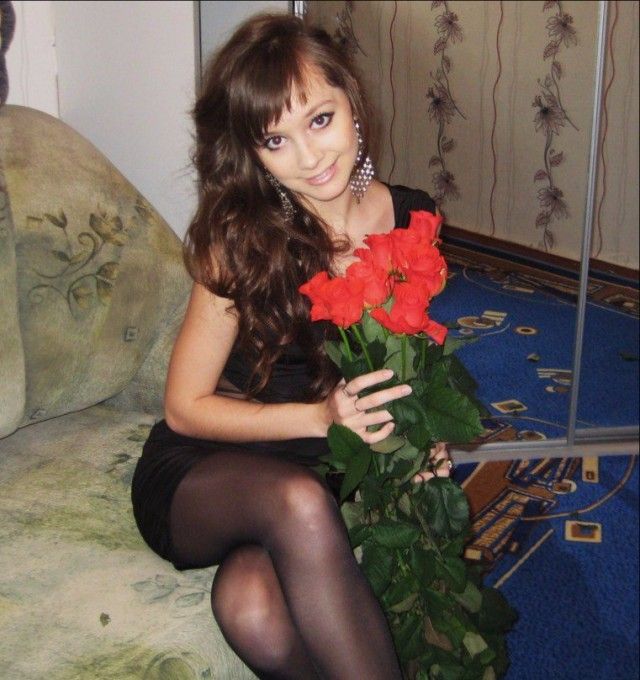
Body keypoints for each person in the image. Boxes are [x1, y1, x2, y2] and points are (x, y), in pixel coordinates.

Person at [131, 12, 450, 680]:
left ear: (352, 104)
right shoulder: (239, 241)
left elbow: (400, 363)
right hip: (208, 467)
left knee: (250, 603)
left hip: (320, 463)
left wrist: (417, 437)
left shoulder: (409, 219)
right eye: (276, 140)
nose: (310, 157)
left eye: (320, 120)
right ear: (253, 154)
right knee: (298, 502)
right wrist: (319, 417)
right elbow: (184, 407)